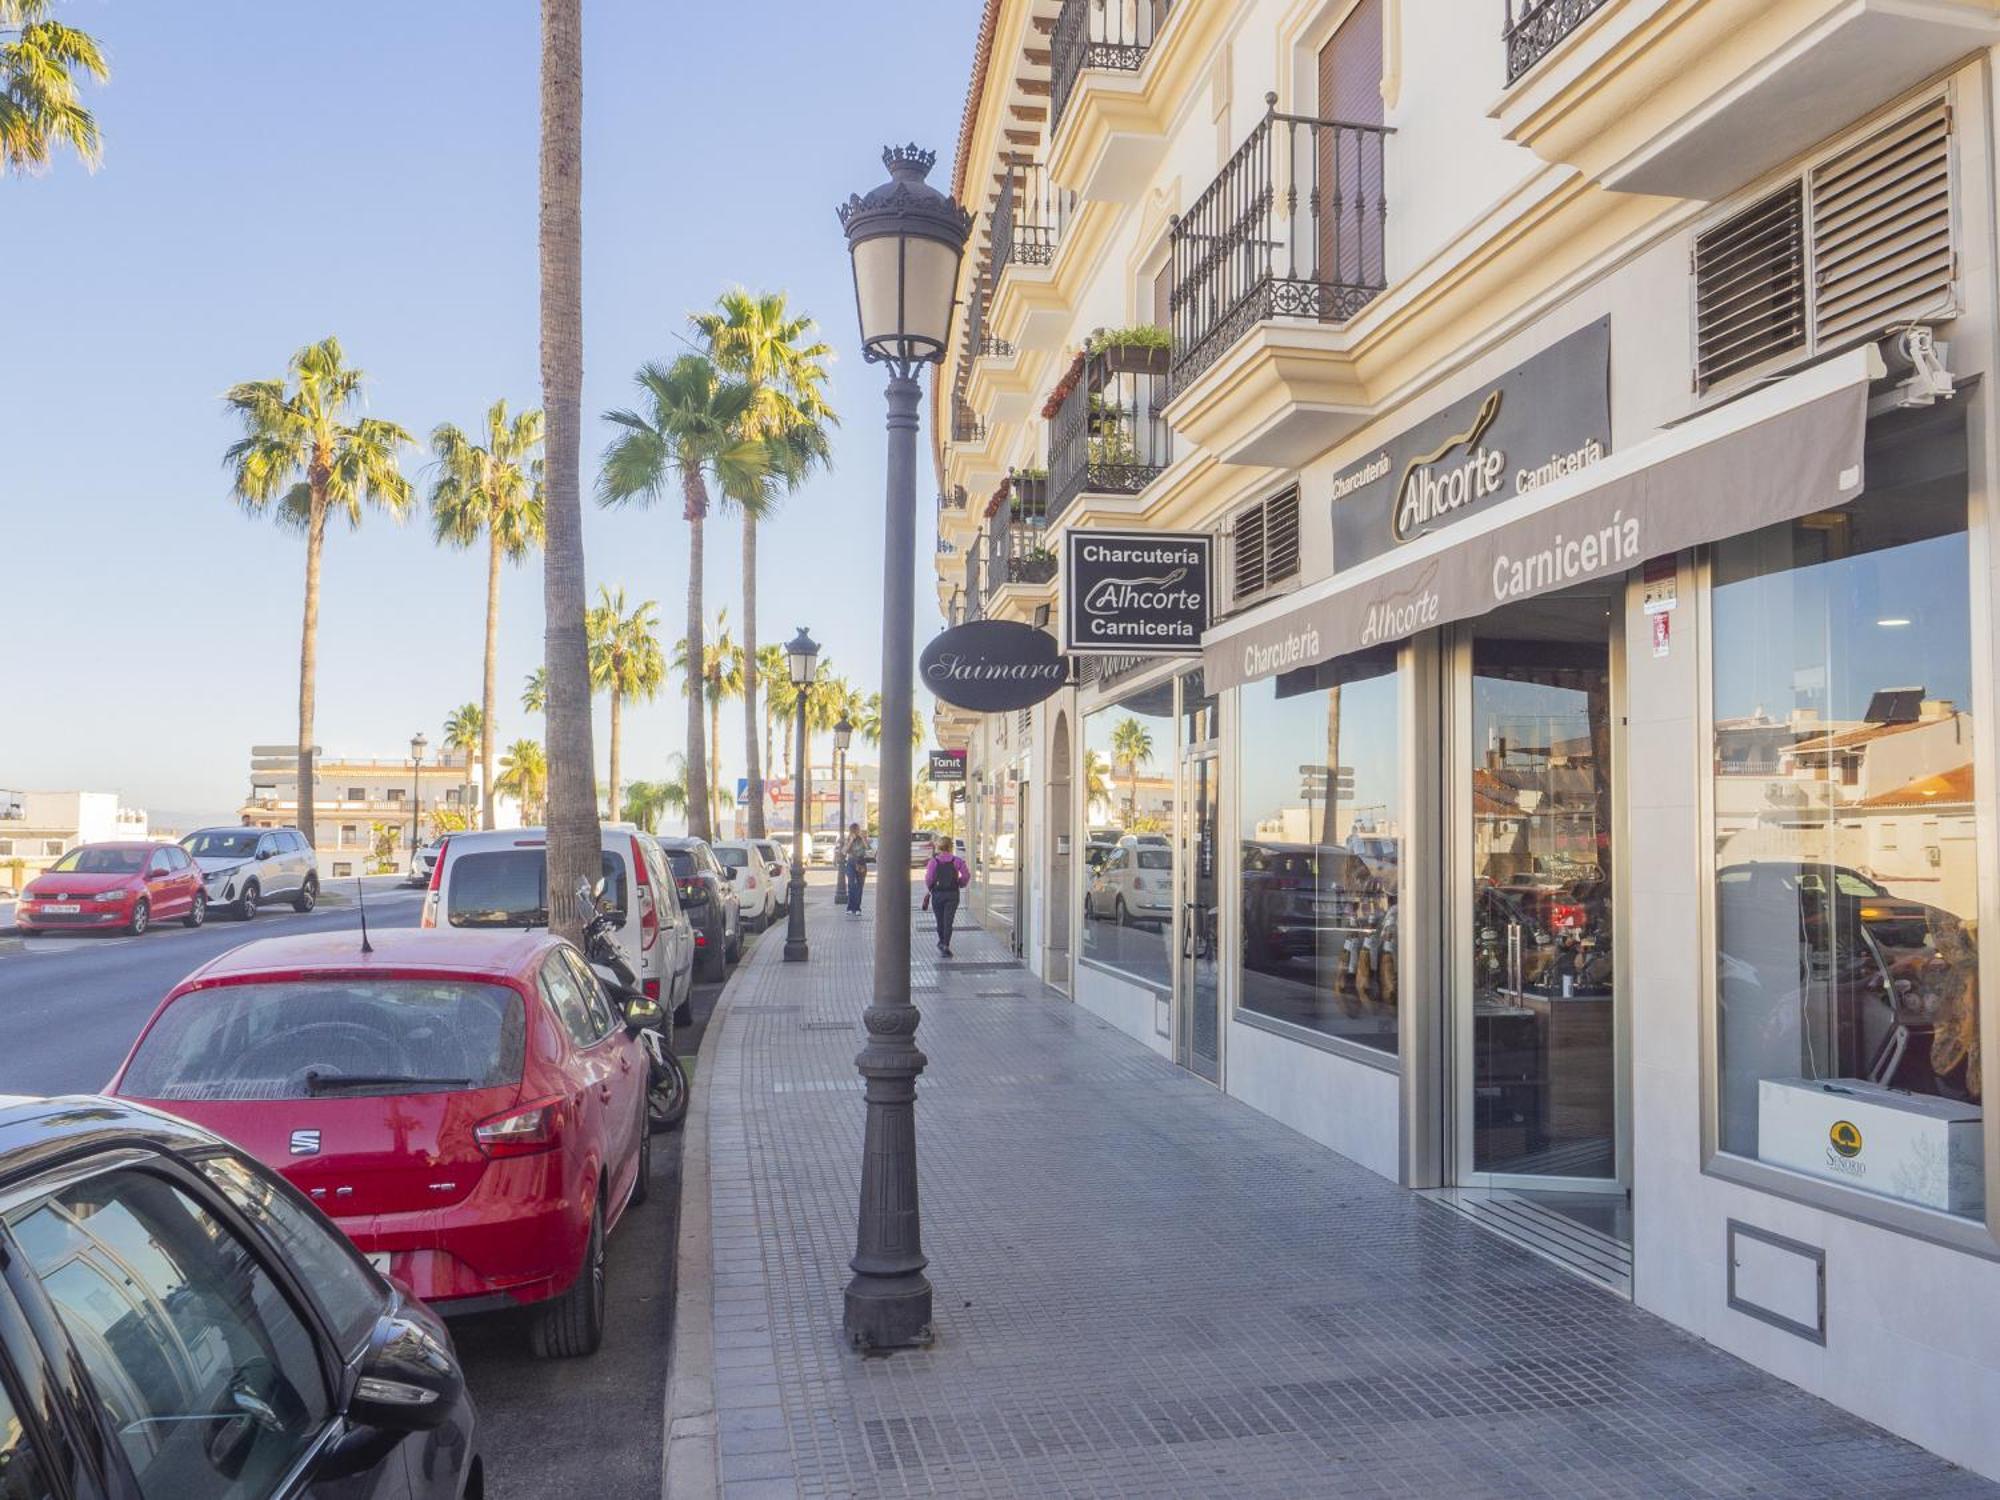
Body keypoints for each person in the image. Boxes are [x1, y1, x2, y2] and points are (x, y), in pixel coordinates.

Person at [924, 836, 970, 957]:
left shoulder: (933, 862)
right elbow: (966, 875)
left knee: (940, 920)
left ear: (938, 847)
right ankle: (946, 944)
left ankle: (942, 942)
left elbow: (929, 878)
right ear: (951, 847)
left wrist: (930, 887)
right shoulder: (957, 861)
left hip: (938, 894)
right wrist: (960, 883)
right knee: (948, 921)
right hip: (952, 894)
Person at [843, 822, 868, 914]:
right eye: (853, 830)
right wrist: (850, 841)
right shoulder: (849, 839)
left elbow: (868, 848)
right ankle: (850, 908)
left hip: (861, 862)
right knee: (851, 885)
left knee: (859, 886)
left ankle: (857, 908)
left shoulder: (862, 838)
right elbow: (844, 851)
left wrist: (862, 838)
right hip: (851, 862)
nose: (855, 832)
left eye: (856, 830)